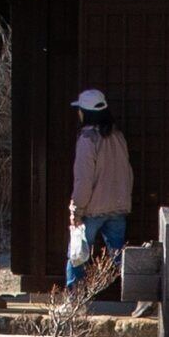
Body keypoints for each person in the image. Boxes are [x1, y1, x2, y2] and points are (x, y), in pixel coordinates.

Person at [65, 88, 134, 297]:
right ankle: (140, 293)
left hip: (93, 208)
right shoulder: (117, 136)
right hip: (119, 205)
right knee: (120, 256)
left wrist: (76, 209)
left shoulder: (87, 139)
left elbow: (83, 179)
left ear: (84, 113)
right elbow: (127, 172)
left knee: (77, 255)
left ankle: (74, 300)